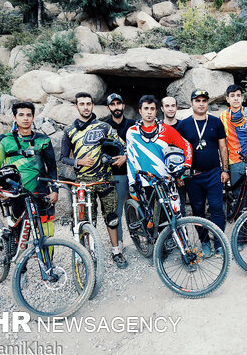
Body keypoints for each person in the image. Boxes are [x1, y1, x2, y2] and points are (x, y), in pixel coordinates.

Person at [60, 92, 129, 269]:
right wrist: (78, 161)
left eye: (88, 103)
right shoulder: (69, 131)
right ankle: (90, 253)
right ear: (76, 106)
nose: (85, 107)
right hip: (84, 182)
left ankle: (116, 252)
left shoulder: (104, 127)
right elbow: (63, 157)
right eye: (81, 104)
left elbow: (122, 144)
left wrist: (124, 156)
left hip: (106, 180)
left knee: (112, 218)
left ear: (92, 105)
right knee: (87, 221)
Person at [0, 101, 58, 237]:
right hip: (15, 192)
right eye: (21, 115)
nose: (25, 118)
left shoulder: (43, 140)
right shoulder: (4, 140)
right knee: (18, 234)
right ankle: (16, 257)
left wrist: (54, 190)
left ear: (33, 117)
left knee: (47, 232)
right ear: (14, 118)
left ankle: (47, 259)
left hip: (40, 191)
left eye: (28, 115)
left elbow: (52, 167)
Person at [177, 90, 229, 257]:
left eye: (204, 100)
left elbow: (223, 147)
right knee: (197, 210)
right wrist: (180, 175)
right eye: (197, 100)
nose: (201, 103)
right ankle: (204, 242)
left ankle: (219, 243)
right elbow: (177, 151)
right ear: (191, 103)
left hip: (214, 173)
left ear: (208, 103)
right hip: (193, 176)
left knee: (216, 209)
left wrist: (225, 170)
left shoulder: (216, 122)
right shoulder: (183, 125)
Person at [125, 95, 193, 186]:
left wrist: (186, 166)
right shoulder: (132, 132)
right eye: (146, 108)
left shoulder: (166, 129)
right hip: (143, 184)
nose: (149, 112)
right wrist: (132, 182)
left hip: (166, 183)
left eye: (152, 109)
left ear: (156, 111)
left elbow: (186, 145)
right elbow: (130, 159)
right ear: (140, 111)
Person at [102, 93, 136, 245]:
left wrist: (126, 156)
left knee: (138, 207)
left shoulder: (133, 125)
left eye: (118, 104)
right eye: (113, 104)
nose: (116, 107)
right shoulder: (104, 127)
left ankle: (142, 239)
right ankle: (120, 242)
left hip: (135, 173)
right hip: (116, 174)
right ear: (109, 107)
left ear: (123, 106)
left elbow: (139, 146)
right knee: (117, 210)